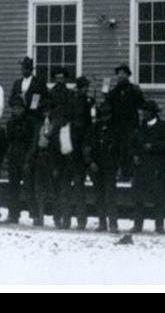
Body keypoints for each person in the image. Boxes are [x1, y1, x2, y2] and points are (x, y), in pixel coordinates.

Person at [132, 100, 165, 233]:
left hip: (157, 167)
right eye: (142, 111)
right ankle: (138, 225)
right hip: (141, 167)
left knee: (159, 198)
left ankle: (159, 225)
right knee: (139, 197)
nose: (143, 114)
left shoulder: (164, 127)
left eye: (146, 111)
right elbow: (132, 144)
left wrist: (154, 147)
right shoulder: (140, 127)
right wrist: (134, 155)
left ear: (153, 113)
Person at [53, 77, 91, 229]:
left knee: (76, 189)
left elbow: (86, 126)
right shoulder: (65, 128)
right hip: (69, 156)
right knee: (68, 189)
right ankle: (68, 220)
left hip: (77, 155)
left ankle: (79, 221)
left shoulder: (84, 106)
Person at [86, 99, 121, 232]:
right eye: (103, 114)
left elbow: (119, 150)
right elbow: (87, 147)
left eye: (108, 114)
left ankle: (113, 224)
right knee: (99, 196)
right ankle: (102, 223)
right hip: (97, 167)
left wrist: (118, 166)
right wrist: (90, 162)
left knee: (110, 196)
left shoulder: (115, 130)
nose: (106, 117)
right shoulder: (94, 129)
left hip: (110, 167)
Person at [105, 63, 144, 180]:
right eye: (119, 74)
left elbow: (141, 104)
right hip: (116, 125)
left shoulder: (134, 90)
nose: (121, 76)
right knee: (117, 148)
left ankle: (129, 173)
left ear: (128, 75)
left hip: (130, 125)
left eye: (123, 74)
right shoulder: (114, 92)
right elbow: (108, 106)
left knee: (129, 148)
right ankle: (118, 172)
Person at [27, 108, 58, 227]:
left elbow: (56, 146)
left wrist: (55, 165)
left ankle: (56, 217)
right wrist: (29, 160)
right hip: (39, 157)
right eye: (44, 112)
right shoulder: (38, 126)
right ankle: (38, 217)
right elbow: (34, 143)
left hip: (50, 158)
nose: (46, 114)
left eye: (48, 111)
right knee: (38, 189)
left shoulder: (55, 127)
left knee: (52, 189)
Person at [4, 93, 32, 223]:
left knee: (29, 186)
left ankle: (35, 215)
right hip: (14, 157)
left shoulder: (29, 122)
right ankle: (13, 214)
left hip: (26, 157)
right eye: (14, 108)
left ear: (23, 108)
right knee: (12, 187)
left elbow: (31, 141)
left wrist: (28, 159)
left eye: (19, 108)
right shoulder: (10, 123)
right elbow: (8, 140)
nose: (16, 110)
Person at [9, 56, 48, 129]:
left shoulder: (39, 82)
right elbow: (11, 99)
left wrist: (37, 105)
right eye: (23, 69)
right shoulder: (17, 83)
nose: (24, 71)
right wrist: (17, 103)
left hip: (34, 116)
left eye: (27, 69)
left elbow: (46, 99)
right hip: (19, 118)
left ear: (31, 70)